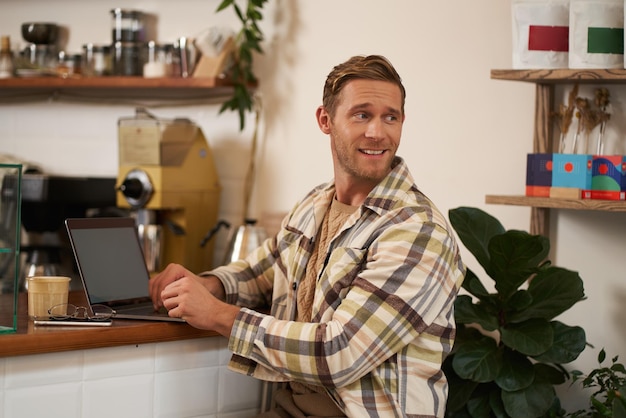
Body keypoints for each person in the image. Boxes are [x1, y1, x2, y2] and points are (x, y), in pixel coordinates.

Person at [149, 54, 466, 418]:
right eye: (362, 114)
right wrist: (206, 285)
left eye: (390, 117)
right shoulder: (314, 205)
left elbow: (340, 352)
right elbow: (263, 272)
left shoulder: (418, 231)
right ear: (325, 121)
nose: (378, 132)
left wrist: (220, 315)